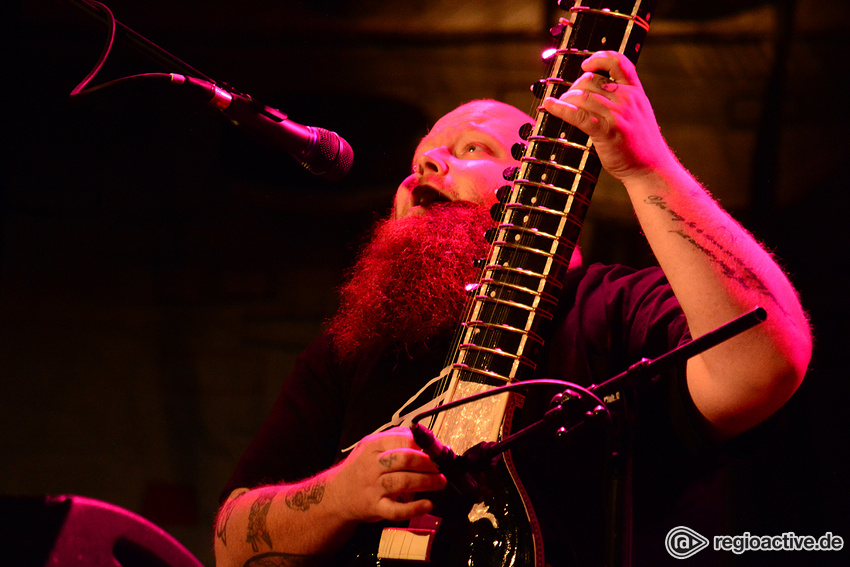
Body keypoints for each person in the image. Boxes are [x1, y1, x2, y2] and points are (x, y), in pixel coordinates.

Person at [213, 51, 812, 567]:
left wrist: (645, 165)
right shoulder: (353, 349)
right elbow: (230, 546)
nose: (426, 166)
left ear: (543, 190)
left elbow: (765, 363)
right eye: (420, 157)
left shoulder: (617, 307)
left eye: (472, 147)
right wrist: (341, 494)